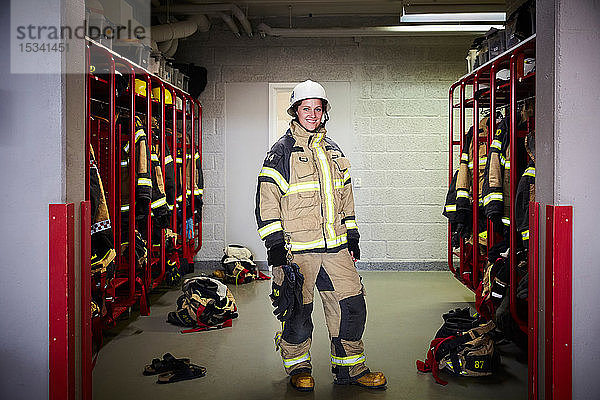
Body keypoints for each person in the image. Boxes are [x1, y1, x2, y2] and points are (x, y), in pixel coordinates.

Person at [255, 80, 387, 391]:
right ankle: (298, 367)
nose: (312, 114)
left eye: (318, 108)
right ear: (295, 112)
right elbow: (267, 200)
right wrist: (274, 246)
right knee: (299, 312)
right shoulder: (281, 152)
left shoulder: (334, 151)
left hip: (336, 248)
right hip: (297, 251)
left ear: (324, 111)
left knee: (352, 305)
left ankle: (350, 369)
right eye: (306, 108)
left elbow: (346, 197)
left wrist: (351, 235)